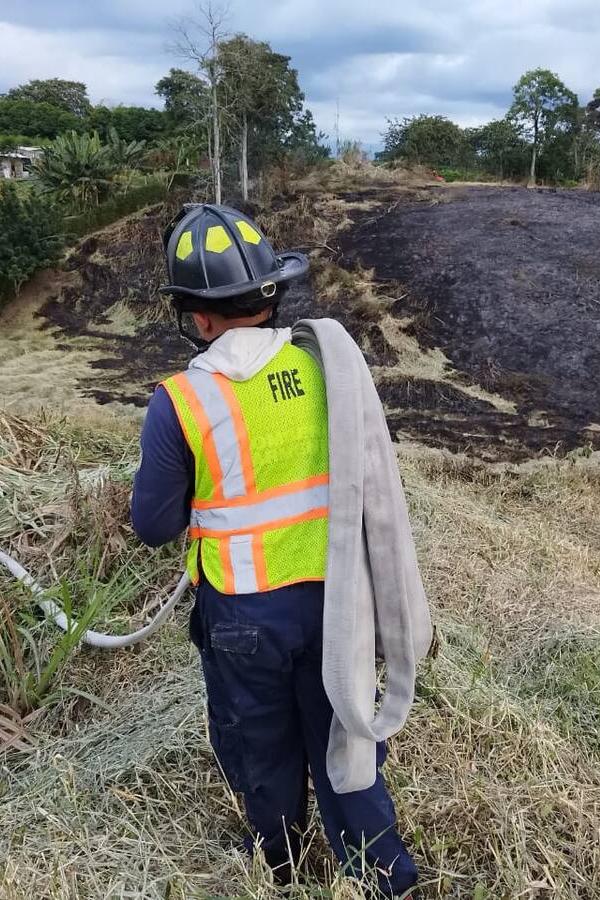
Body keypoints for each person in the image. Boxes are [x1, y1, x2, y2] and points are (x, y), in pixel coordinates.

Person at [131, 203, 419, 897]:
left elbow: (154, 525)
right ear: (271, 293)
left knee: (260, 749)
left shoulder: (181, 402)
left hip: (243, 617)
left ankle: (279, 865)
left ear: (197, 317)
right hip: (337, 602)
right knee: (346, 743)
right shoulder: (325, 370)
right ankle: (384, 878)